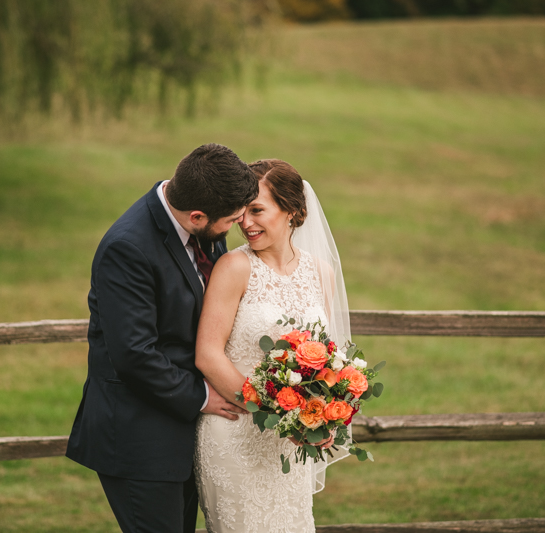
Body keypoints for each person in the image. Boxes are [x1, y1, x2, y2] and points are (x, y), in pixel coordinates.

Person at [66, 143, 258, 533]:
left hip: (187, 435)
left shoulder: (199, 215)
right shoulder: (128, 248)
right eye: (231, 220)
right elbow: (135, 354)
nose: (237, 228)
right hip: (141, 440)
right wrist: (204, 397)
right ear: (197, 215)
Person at [194, 159, 352, 532]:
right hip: (236, 434)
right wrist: (274, 410)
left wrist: (320, 412)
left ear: (293, 212)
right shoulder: (234, 267)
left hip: (288, 443)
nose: (245, 223)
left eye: (257, 210)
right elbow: (207, 353)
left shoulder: (321, 274)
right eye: (242, 212)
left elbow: (325, 360)